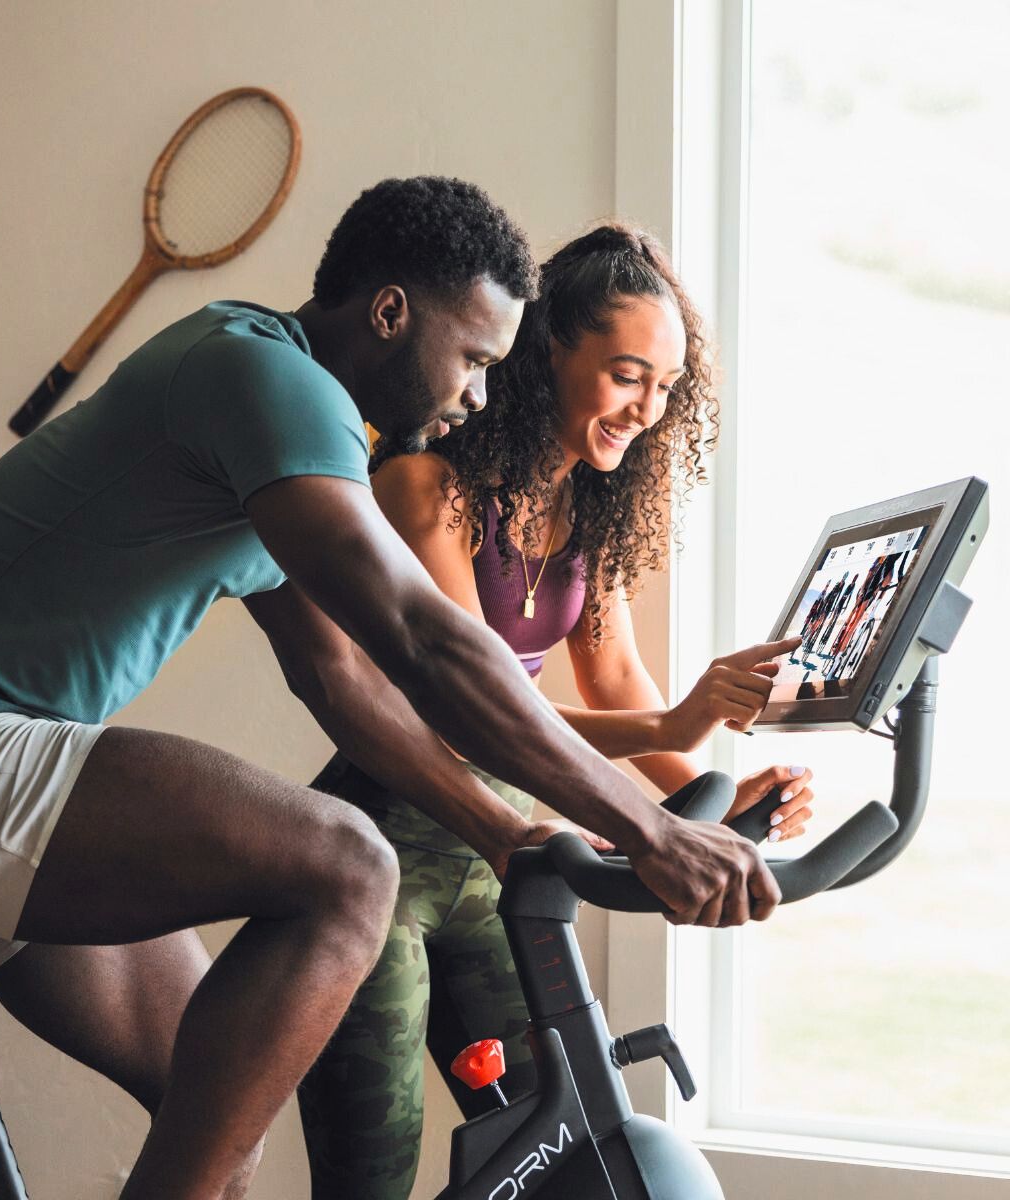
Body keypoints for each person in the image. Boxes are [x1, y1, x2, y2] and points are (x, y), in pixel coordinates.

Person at [0, 181, 782, 1200]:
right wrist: (652, 827)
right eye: (475, 359)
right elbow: (422, 640)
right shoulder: (267, 379)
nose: (482, 396)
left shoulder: (281, 431)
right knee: (352, 864)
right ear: (391, 312)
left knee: (226, 1110)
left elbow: (340, 681)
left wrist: (496, 829)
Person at [298, 222, 815, 1200]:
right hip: (384, 857)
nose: (646, 410)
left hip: (502, 859)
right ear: (546, 354)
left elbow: (614, 678)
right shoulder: (426, 487)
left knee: (563, 1146)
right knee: (372, 1175)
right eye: (628, 375)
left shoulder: (584, 512)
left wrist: (710, 785)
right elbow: (469, 709)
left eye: (665, 390)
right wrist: (671, 746)